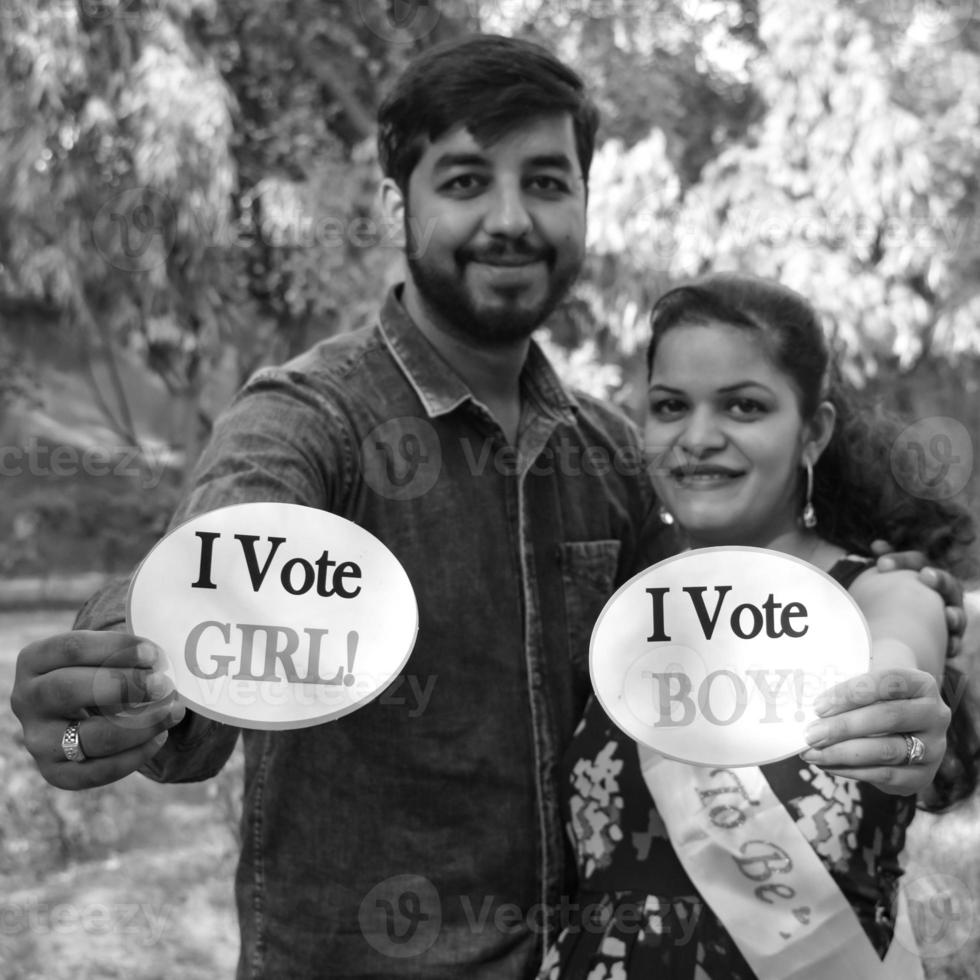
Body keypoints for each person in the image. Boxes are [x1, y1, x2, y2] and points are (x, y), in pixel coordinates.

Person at [8, 37, 966, 980]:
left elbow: (751, 668)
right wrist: (120, 678)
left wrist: (918, 658)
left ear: (584, 203)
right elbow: (213, 574)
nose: (511, 218)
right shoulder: (312, 418)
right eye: (466, 182)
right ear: (396, 205)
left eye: (546, 182)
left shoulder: (609, 457)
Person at [538, 273, 979, 980]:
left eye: (744, 406)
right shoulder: (627, 611)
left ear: (814, 433)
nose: (699, 437)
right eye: (670, 406)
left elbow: (900, 662)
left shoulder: (882, 591)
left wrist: (900, 708)